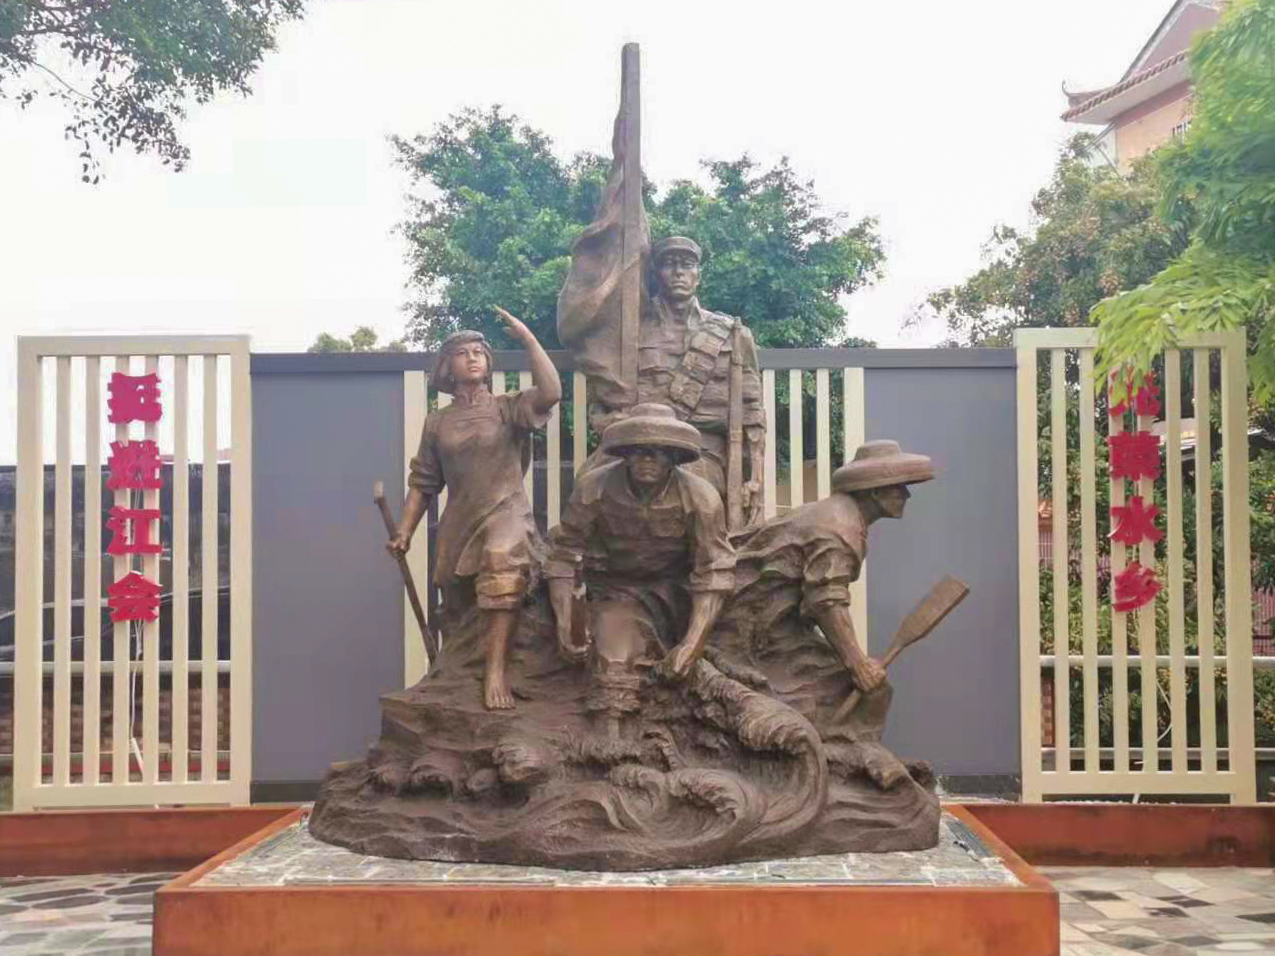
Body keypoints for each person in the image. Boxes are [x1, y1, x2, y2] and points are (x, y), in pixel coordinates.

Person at [386, 308, 561, 711]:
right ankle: (458, 673)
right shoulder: (437, 423)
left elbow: (551, 392)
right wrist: (405, 531)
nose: (473, 358)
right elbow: (424, 482)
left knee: (501, 567)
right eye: (463, 353)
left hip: (507, 512)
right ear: (447, 366)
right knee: (458, 603)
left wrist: (528, 338)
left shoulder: (507, 408)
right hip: (461, 520)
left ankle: (497, 672)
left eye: (479, 352)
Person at [715, 440, 934, 736]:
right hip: (746, 631)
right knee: (864, 691)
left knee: (856, 689)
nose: (906, 495)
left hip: (772, 624)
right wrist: (858, 665)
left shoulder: (835, 514)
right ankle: (840, 751)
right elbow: (826, 602)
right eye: (899, 487)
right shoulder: (838, 530)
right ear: (875, 491)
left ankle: (842, 751)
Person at [544, 403, 735, 734]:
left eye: (658, 452)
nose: (648, 459)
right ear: (625, 454)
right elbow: (565, 554)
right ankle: (611, 744)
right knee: (614, 660)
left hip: (678, 593)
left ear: (673, 458)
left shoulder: (701, 498)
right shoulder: (594, 488)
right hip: (616, 591)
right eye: (639, 450)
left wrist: (692, 645)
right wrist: (565, 620)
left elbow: (714, 571)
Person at [561, 234, 766, 526]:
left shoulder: (733, 334)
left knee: (691, 487)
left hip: (701, 452)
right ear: (656, 273)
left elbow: (753, 414)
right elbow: (600, 402)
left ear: (698, 274)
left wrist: (755, 477)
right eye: (669, 264)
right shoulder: (629, 332)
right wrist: (613, 425)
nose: (678, 272)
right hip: (634, 448)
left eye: (687, 264)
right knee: (588, 484)